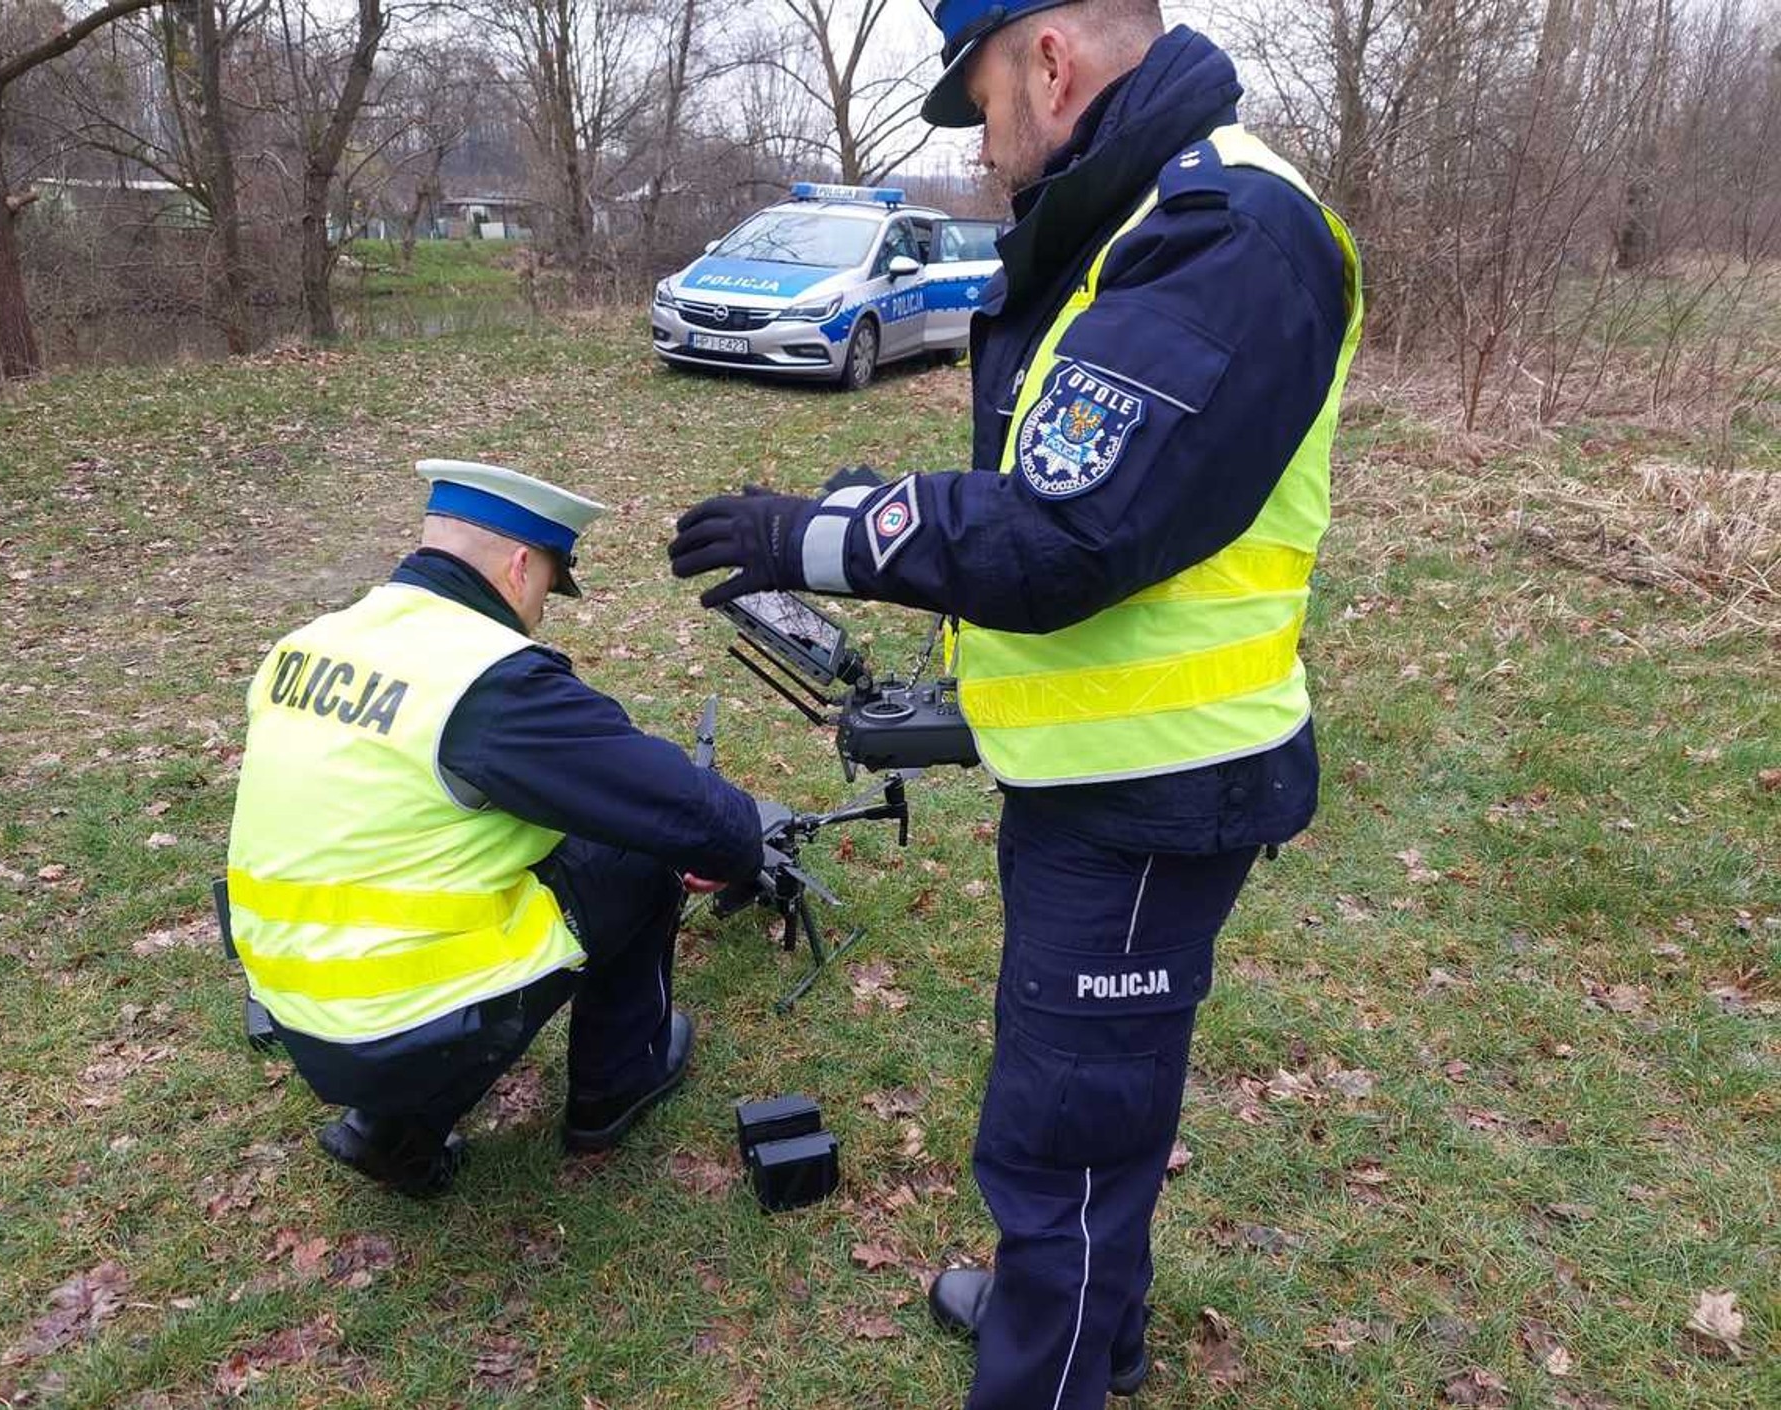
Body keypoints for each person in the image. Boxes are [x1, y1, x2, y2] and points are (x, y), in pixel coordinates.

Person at [669, 2, 1361, 1404]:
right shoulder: (1139, 216)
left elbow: (1068, 531)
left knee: (1068, 1130)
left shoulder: (1224, 230)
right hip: (1103, 769)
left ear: (1049, 61)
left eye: (982, 102)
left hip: (1154, 787)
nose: (985, 149)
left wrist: (827, 534)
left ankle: (1052, 1354)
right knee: (1081, 1098)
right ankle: (1084, 1312)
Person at [227, 459, 763, 1197]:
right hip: (392, 1017)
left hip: (291, 997)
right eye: (548, 586)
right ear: (519, 567)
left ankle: (394, 1126)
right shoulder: (488, 678)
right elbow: (694, 815)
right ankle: (618, 1082)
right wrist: (737, 849)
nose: (540, 611)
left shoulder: (309, 642)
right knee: (641, 858)